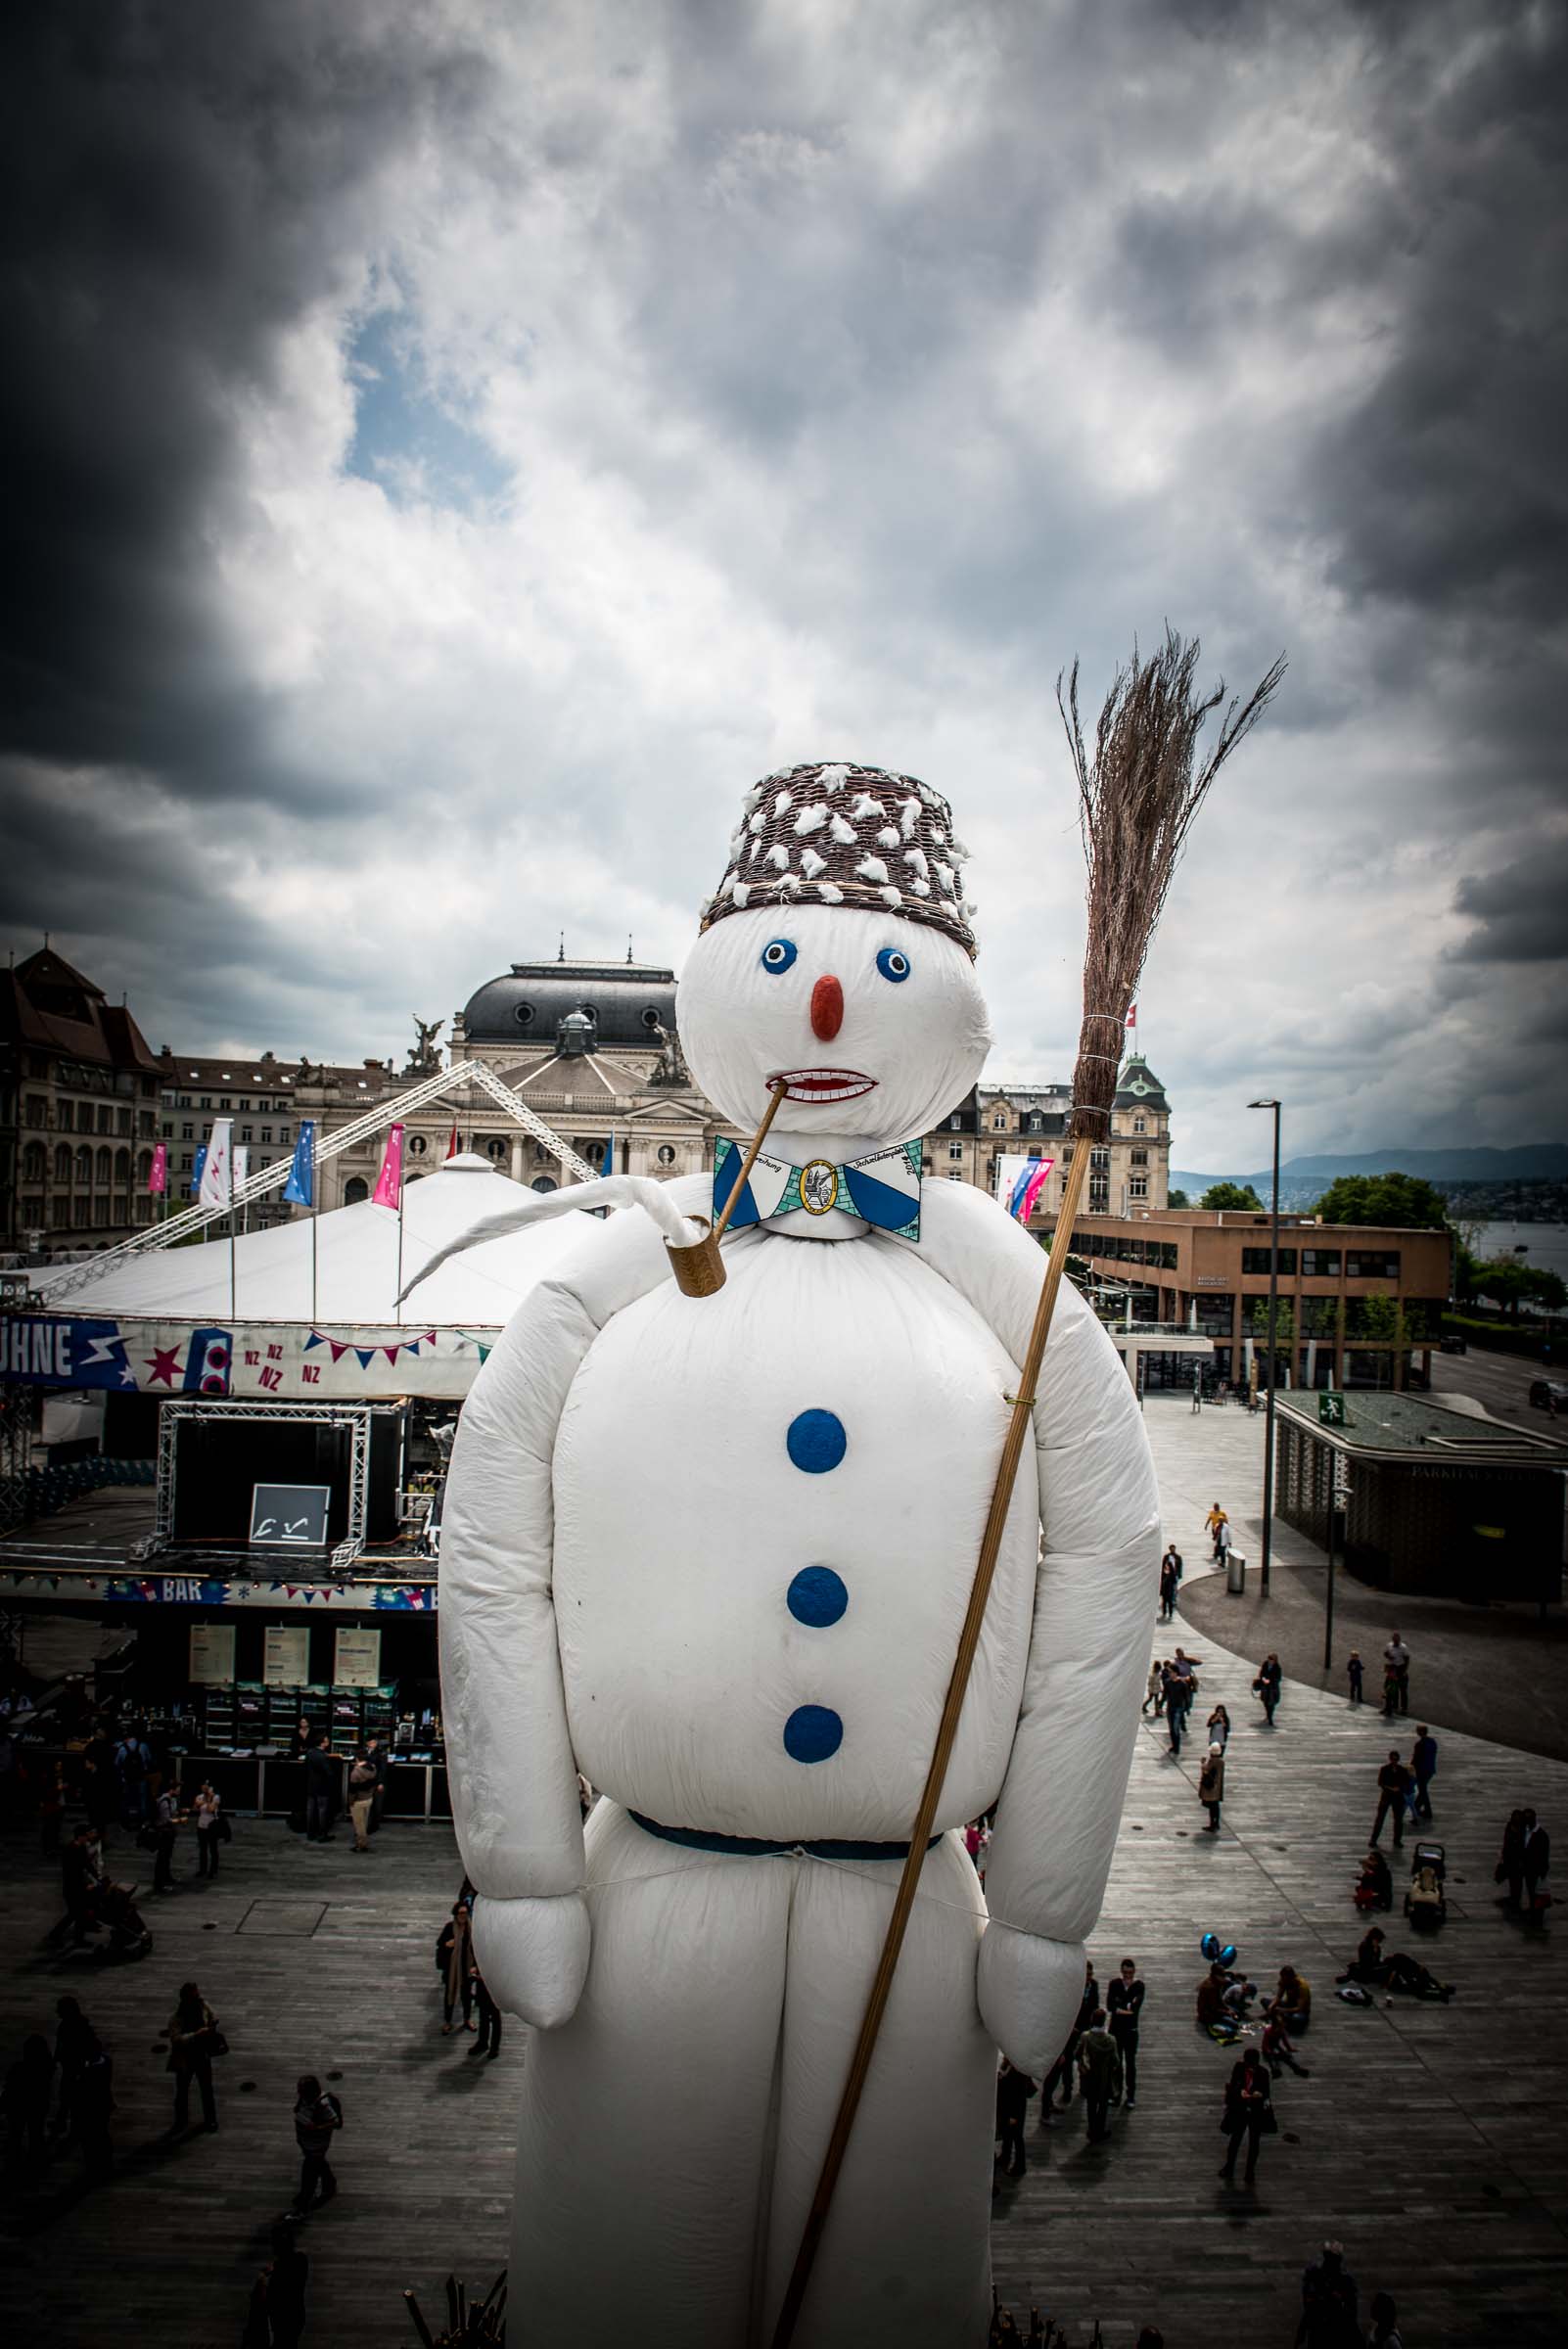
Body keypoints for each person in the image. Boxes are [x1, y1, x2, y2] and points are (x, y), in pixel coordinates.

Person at [1039, 1958, 1097, 2119]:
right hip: (1067, 2034)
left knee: (1080, 2061)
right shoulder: (1070, 1990)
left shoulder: (1093, 1986)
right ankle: (1055, 2101)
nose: (1089, 1976)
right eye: (1086, 1973)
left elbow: (1094, 2006)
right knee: (1060, 2067)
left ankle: (1067, 2092)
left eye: (1090, 1973)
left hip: (1082, 2031)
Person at [166, 1980, 220, 2134]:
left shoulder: (201, 2004)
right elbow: (176, 2039)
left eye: (197, 1994)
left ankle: (211, 2120)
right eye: (194, 1995)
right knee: (182, 2090)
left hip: (202, 2055)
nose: (198, 1997)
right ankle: (181, 2120)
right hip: (185, 2059)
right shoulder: (177, 2017)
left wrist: (212, 2021)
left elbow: (211, 2014)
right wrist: (196, 2035)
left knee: (207, 2089)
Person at [1219, 2047, 1274, 2183]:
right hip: (1240, 2109)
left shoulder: (1263, 2073)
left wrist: (1259, 2094)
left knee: (1254, 2143)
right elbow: (1233, 2085)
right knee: (1235, 2140)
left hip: (1255, 2111)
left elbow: (1266, 2093)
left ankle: (1249, 2172)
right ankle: (1229, 2167)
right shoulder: (1239, 2068)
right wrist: (1240, 2091)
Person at [291, 2074, 344, 2213]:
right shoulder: (305, 2098)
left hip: (317, 2144)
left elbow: (336, 2122)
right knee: (319, 2164)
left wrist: (317, 2128)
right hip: (306, 2142)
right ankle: (329, 2185)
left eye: (301, 2090)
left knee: (309, 2170)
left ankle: (306, 2195)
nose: (298, 2092)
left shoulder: (322, 2104)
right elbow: (299, 2107)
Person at [254, 2222, 309, 2349]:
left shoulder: (279, 2278)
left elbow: (266, 2300)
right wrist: (275, 2267)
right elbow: (283, 2263)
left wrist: (261, 2281)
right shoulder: (301, 2259)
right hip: (298, 2314)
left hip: (282, 2321)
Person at [1297, 2242, 1359, 2346]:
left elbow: (1351, 2310)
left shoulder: (1343, 2281)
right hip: (1324, 2327)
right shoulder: (1317, 2276)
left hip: (1332, 2328)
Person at [1075, 2007, 1122, 2142]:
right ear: (1104, 2021)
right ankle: (1099, 2130)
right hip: (1104, 2078)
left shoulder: (1085, 2037)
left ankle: (1091, 2129)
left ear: (1092, 2020)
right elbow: (1116, 2061)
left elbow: (1077, 2054)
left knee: (1091, 2104)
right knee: (1103, 2105)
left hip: (1089, 2077)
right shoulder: (1111, 2040)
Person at [1106, 1957, 1145, 2108]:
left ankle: (1130, 2096)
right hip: (1116, 2031)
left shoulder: (1139, 1986)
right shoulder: (1114, 1984)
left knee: (1130, 2064)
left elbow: (1135, 2007)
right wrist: (1127, 2006)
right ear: (1121, 1971)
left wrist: (1119, 2006)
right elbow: (1110, 2006)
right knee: (1116, 2064)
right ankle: (1116, 2094)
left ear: (1134, 1972)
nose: (1127, 1976)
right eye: (1125, 1973)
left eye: (1130, 1973)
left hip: (1130, 2031)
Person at [993, 2057, 1035, 2179]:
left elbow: (1019, 2094)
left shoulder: (1019, 2069)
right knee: (1007, 2133)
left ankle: (1020, 2166)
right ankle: (1005, 2156)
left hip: (1015, 2110)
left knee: (1017, 2137)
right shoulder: (1008, 2064)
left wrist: (1014, 2116)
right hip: (1006, 2107)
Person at [437, 1901, 475, 2033]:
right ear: (456, 1914)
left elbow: (476, 1949)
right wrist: (447, 1944)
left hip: (466, 1968)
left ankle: (467, 2019)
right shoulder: (449, 1928)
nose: (463, 1916)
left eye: (465, 1913)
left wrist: (475, 1966)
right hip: (452, 1968)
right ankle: (448, 2021)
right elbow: (440, 1943)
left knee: (467, 1995)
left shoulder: (472, 1929)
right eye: (461, 1913)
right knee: (450, 1994)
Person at [1372, 1750, 1410, 1848]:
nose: (1394, 1761)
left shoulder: (1402, 1770)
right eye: (1393, 1759)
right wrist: (1390, 1788)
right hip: (1387, 1796)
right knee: (1380, 1819)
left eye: (1396, 1759)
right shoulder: (1384, 1769)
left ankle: (1397, 1840)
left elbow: (1407, 1783)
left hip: (1398, 1797)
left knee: (1398, 1820)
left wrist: (1400, 1788)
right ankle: (1373, 1840)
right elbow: (1380, 1782)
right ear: (1390, 1759)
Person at [302, 1732, 337, 1843]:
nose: (328, 1742)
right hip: (322, 1787)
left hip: (311, 1785)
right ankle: (322, 1835)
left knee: (310, 1810)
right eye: (326, 1740)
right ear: (323, 1743)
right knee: (322, 1811)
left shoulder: (310, 1752)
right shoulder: (323, 1756)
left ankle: (310, 1834)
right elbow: (329, 1773)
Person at [1261, 2008, 1309, 2080]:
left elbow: (1285, 2041)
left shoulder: (1281, 2031)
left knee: (1287, 2056)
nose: (1281, 2027)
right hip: (1268, 2048)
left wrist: (1289, 2048)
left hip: (1276, 2046)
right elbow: (1265, 2043)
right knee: (1271, 2058)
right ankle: (1275, 2069)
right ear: (1275, 2025)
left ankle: (1297, 2068)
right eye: (1280, 2025)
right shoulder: (1268, 2031)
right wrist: (1268, 2051)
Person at [472, 1956, 503, 2062]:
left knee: (495, 2015)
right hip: (482, 1981)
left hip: (494, 1981)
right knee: (483, 2013)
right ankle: (483, 2042)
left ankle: (494, 2047)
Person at [152, 1778, 180, 1893]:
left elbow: (172, 1813)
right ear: (172, 1789)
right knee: (162, 1859)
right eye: (178, 1789)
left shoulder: (172, 1800)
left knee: (167, 1857)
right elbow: (166, 1820)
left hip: (169, 1833)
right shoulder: (164, 1801)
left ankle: (167, 1878)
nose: (179, 1791)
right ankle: (159, 1884)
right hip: (163, 1833)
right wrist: (180, 1820)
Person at [347, 1749, 378, 1853]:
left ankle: (361, 1845)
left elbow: (352, 1791)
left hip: (358, 1801)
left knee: (359, 1825)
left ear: (357, 1758)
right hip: (369, 1798)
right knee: (364, 1822)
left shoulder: (355, 1773)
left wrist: (350, 1802)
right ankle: (362, 1843)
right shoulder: (373, 1768)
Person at [192, 1779, 222, 1877]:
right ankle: (202, 1869)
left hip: (211, 1825)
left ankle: (213, 1870)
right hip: (201, 1825)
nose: (204, 1788)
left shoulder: (216, 1797)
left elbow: (211, 1809)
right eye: (203, 1785)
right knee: (202, 1849)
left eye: (207, 1786)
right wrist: (200, 1801)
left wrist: (208, 1799)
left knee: (213, 1848)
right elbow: (195, 1808)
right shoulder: (199, 1796)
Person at [1269, 1965, 1312, 2033]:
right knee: (1265, 2001)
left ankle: (1283, 2017)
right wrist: (1271, 2006)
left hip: (1300, 2011)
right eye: (1282, 1977)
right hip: (1288, 2005)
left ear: (1291, 1977)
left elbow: (1299, 2008)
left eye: (1284, 1978)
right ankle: (1283, 2017)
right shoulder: (1284, 1980)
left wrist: (1282, 2010)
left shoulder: (1301, 1986)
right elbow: (1278, 1997)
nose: (1282, 1979)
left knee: (1297, 2019)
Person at [1408, 1726, 1437, 1822]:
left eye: (1417, 1731)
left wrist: (1410, 1768)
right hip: (1430, 1769)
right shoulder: (1432, 1742)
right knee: (1423, 1790)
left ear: (1420, 1732)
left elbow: (1416, 1759)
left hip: (1421, 1770)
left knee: (1423, 1791)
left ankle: (1427, 1811)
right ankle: (1417, 1808)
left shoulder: (1419, 1744)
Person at [1353, 1848, 1394, 1912]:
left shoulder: (1383, 1871)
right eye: (1369, 1858)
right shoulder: (1373, 1868)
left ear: (1377, 1861)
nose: (1368, 1860)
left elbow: (1377, 1884)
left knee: (1363, 1894)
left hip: (1379, 1894)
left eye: (1371, 1859)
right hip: (1373, 1890)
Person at [1198, 1742, 1225, 1832]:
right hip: (1217, 1788)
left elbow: (1206, 1772)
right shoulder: (1221, 1762)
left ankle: (1212, 1824)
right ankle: (1216, 1823)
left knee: (1212, 1807)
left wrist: (1203, 1763)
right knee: (1216, 1806)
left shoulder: (1212, 1761)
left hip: (1211, 1788)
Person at [1383, 1631, 1410, 1716]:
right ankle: (1392, 1706)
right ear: (1392, 1639)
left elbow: (1407, 1659)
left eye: (1397, 1639)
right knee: (1390, 1688)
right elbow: (1385, 1653)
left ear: (1399, 1639)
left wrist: (1404, 1671)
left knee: (1402, 1689)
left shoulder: (1403, 1647)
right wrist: (1389, 1656)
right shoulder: (1389, 1645)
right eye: (1394, 1639)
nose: (1395, 1641)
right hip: (1392, 1668)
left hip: (1400, 1668)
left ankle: (1404, 1708)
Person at [1253, 1651, 1283, 1726]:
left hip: (1273, 1689)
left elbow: (1278, 1678)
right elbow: (1261, 1673)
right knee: (1266, 1702)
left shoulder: (1277, 1667)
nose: (1270, 1660)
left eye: (1271, 1659)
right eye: (1269, 1658)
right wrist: (1263, 1679)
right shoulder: (1265, 1664)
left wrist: (1270, 1681)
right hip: (1265, 1688)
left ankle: (1269, 1718)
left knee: (1271, 1704)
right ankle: (1268, 1717)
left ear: (1275, 1660)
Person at [1159, 1544, 1182, 1622]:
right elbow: (1162, 1566)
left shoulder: (1178, 1557)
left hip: (1173, 1578)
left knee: (1170, 1600)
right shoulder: (1166, 1557)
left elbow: (1179, 1566)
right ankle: (1165, 1612)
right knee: (1164, 1601)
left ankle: (1171, 1611)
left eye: (1173, 1549)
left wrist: (1179, 1574)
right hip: (1165, 1588)